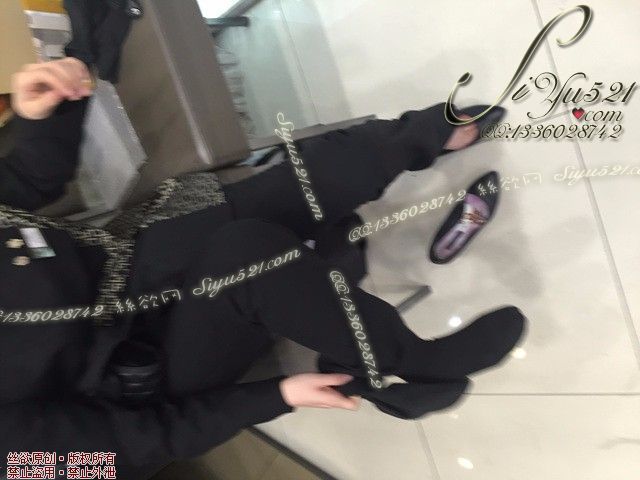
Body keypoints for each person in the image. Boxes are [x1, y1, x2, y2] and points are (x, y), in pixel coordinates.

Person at [0, 58, 526, 469]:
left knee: (300, 182)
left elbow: (23, 183)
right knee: (246, 254)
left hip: (130, 263)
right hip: (153, 368)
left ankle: (421, 137)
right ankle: (408, 362)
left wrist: (43, 115)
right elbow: (123, 452)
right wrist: (274, 396)